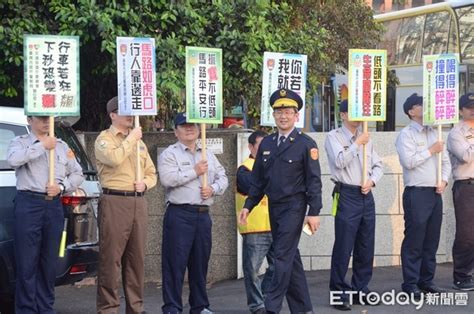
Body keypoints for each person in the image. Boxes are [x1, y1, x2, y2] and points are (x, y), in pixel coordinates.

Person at [239, 88, 323, 314]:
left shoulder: (306, 144)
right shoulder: (266, 144)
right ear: (273, 115)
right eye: (278, 112)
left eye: (288, 111)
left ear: (296, 116)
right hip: (274, 209)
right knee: (290, 258)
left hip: (295, 207)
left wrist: (314, 211)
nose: (283, 116)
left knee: (281, 257)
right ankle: (303, 308)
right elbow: (258, 181)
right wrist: (248, 206)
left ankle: (271, 307)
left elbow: (314, 181)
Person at [7, 115, 84, 313]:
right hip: (28, 203)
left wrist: (61, 186)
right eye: (41, 118)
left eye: (48, 118)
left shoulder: (61, 145)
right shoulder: (20, 142)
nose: (45, 122)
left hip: (53, 205)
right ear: (29, 119)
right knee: (26, 262)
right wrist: (41, 145)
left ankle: (46, 308)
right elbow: (13, 160)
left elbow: (78, 173)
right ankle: (26, 309)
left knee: (49, 261)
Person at [158, 112, 228, 314]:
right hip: (179, 214)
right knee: (174, 264)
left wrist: (213, 188)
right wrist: (195, 172)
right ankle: (172, 307)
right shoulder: (170, 154)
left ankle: (200, 306)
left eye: (193, 126)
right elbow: (168, 179)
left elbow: (223, 178)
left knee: (200, 263)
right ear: (175, 131)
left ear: (199, 130)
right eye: (184, 126)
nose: (189, 129)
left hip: (203, 214)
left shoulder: (207, 154)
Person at [95, 96, 157, 313]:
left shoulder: (138, 141)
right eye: (124, 111)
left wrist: (146, 184)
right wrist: (131, 138)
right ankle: (108, 309)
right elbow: (113, 159)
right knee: (110, 260)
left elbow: (151, 172)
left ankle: (136, 308)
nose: (130, 115)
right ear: (113, 115)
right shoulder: (105, 139)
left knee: (136, 260)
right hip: (114, 201)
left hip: (137, 202)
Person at [325, 100, 383, 311]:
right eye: (353, 111)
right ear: (342, 115)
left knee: (366, 245)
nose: (358, 116)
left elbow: (378, 165)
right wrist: (358, 143)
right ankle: (338, 293)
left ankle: (361, 288)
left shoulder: (367, 136)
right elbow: (340, 161)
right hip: (346, 194)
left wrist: (373, 180)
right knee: (344, 245)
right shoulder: (334, 137)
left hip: (366, 195)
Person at [395, 93, 451, 298]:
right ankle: (410, 283)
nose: (426, 108)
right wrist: (430, 150)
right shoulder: (406, 134)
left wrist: (443, 180)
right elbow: (409, 162)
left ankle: (427, 281)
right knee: (414, 240)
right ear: (411, 111)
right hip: (416, 193)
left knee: (431, 240)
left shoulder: (434, 132)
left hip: (434, 193)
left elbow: (445, 162)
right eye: (421, 105)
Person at [236, 130, 274, 314]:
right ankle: (257, 305)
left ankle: (264, 297)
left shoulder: (275, 165)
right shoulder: (244, 168)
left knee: (278, 267)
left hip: (276, 226)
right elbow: (255, 186)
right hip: (255, 228)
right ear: (251, 147)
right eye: (261, 145)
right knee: (251, 270)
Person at [447, 93, 474, 291]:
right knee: (466, 234)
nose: (473, 110)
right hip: (466, 186)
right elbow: (466, 156)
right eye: (469, 107)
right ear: (460, 110)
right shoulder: (456, 133)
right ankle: (461, 276)